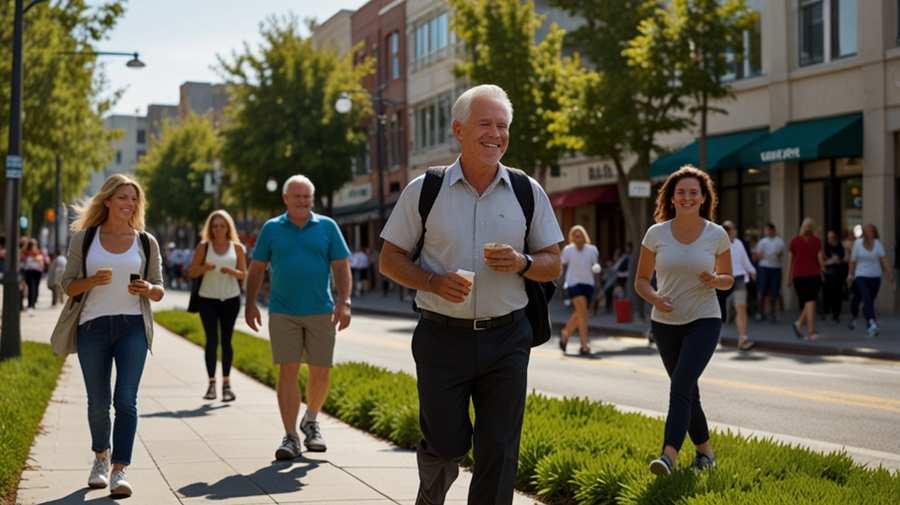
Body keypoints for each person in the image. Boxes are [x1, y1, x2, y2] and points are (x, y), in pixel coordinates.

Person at [379, 84, 563, 505]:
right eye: (485, 124)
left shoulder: (525, 190)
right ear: (458, 130)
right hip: (441, 338)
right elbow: (388, 259)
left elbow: (553, 260)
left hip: (507, 338)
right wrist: (432, 282)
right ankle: (432, 491)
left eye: (502, 126)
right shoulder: (425, 190)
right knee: (446, 442)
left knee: (499, 450)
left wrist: (524, 262)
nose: (495, 134)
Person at [55, 174, 164, 497]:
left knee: (126, 401)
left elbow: (159, 289)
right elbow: (68, 286)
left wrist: (148, 289)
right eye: (123, 198)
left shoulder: (146, 241)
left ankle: (119, 469)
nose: (129, 204)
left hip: (132, 326)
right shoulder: (85, 239)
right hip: (93, 327)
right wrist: (90, 281)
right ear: (107, 201)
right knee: (98, 402)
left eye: (134, 199)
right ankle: (100, 458)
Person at [634, 165, 733, 476]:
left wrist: (716, 279)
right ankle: (706, 453)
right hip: (664, 322)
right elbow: (640, 280)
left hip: (704, 319)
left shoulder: (716, 235)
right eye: (681, 192)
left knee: (680, 384)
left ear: (704, 198)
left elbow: (729, 278)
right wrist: (654, 298)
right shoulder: (656, 234)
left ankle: (668, 455)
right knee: (688, 390)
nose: (688, 197)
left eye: (694, 192)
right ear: (672, 198)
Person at [244, 175, 352, 460]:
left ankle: (311, 420)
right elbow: (256, 269)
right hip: (282, 312)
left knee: (321, 371)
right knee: (288, 371)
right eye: (297, 196)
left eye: (307, 197)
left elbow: (341, 267)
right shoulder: (271, 229)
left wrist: (345, 301)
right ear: (286, 199)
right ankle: (291, 436)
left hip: (321, 310)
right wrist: (250, 303)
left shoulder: (327, 227)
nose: (303, 201)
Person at [187, 210, 247, 402]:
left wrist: (233, 271)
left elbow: (243, 274)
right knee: (211, 340)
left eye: (222, 225)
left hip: (230, 298)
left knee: (227, 341)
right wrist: (205, 268)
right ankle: (212, 384)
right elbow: (192, 271)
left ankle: (227, 385)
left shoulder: (236, 247)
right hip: (207, 299)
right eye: (215, 226)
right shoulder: (204, 247)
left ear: (228, 227)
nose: (218, 229)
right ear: (210, 228)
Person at [847, 224, 895, 337]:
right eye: (867, 231)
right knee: (865, 297)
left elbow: (884, 261)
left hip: (875, 277)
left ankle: (867, 318)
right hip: (860, 276)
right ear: (864, 233)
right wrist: (850, 275)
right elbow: (852, 261)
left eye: (871, 231)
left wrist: (891, 277)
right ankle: (872, 324)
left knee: (868, 301)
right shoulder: (858, 244)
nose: (869, 233)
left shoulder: (878, 244)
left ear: (874, 233)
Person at [559, 225, 600, 355]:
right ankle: (584, 345)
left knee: (581, 313)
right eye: (575, 235)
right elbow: (562, 266)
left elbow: (596, 268)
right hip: (573, 284)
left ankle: (565, 333)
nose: (577, 237)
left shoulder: (592, 250)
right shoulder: (568, 250)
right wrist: (561, 284)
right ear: (571, 237)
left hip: (588, 284)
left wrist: (598, 285)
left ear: (584, 236)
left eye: (579, 234)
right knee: (583, 313)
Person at [788, 218, 825, 341]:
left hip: (799, 276)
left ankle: (799, 324)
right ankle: (810, 331)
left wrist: (788, 278)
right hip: (812, 274)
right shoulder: (817, 241)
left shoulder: (794, 241)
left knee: (809, 302)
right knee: (810, 302)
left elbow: (790, 261)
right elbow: (820, 260)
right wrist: (823, 270)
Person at [722, 221, 756, 351]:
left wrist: (752, 271)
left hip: (739, 279)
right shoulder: (718, 245)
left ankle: (743, 338)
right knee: (721, 312)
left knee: (741, 308)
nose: (735, 231)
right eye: (733, 229)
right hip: (724, 279)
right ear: (727, 231)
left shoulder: (739, 243)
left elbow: (745, 260)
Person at [753, 223, 785, 323]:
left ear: (773, 230)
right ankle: (761, 312)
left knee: (775, 291)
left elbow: (781, 254)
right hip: (764, 268)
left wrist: (778, 254)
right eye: (767, 230)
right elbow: (757, 256)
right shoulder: (762, 242)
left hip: (775, 268)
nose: (768, 232)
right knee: (762, 290)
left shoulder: (779, 241)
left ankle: (773, 313)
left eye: (770, 230)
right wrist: (759, 255)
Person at [823, 230, 847, 323]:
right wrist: (831, 261)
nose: (829, 239)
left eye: (831, 237)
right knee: (827, 293)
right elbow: (823, 260)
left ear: (835, 237)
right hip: (828, 273)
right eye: (828, 237)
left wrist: (832, 261)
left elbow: (841, 259)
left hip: (838, 274)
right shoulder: (826, 247)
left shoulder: (840, 247)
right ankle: (826, 311)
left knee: (837, 293)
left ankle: (836, 314)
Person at [22, 238, 45, 310]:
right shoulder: (26, 252)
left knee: (34, 287)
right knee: (32, 287)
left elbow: (41, 260)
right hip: (31, 271)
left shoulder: (38, 252)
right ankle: (31, 304)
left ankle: (32, 303)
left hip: (35, 271)